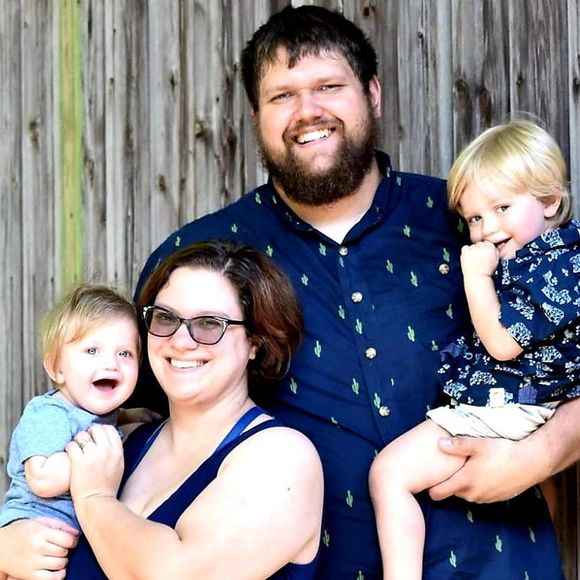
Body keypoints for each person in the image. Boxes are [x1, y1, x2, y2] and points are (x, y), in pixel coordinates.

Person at [1, 5, 578, 579]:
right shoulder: (201, 260)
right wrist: (21, 523)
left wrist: (543, 452)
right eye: (282, 95)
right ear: (257, 115)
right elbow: (101, 406)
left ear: (372, 93)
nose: (308, 111)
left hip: (499, 564)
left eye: (329, 86)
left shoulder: (469, 221)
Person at [368, 119, 580, 579]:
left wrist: (476, 277)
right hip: (529, 404)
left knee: (389, 475)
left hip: (513, 405)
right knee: (540, 499)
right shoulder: (545, 257)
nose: (487, 228)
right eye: (475, 218)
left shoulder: (555, 268)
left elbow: (502, 345)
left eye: (502, 207)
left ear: (550, 200)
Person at [60, 240, 321, 578]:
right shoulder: (124, 439)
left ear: (255, 341)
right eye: (165, 317)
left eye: (209, 323)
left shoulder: (284, 459)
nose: (181, 341)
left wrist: (94, 497)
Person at [0, 284, 141, 580]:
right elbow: (42, 478)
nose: (111, 363)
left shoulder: (101, 414)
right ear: (57, 368)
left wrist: (132, 416)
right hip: (34, 527)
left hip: (65, 537)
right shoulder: (48, 414)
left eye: (124, 353)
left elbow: (107, 419)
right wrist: (99, 451)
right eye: (92, 350)